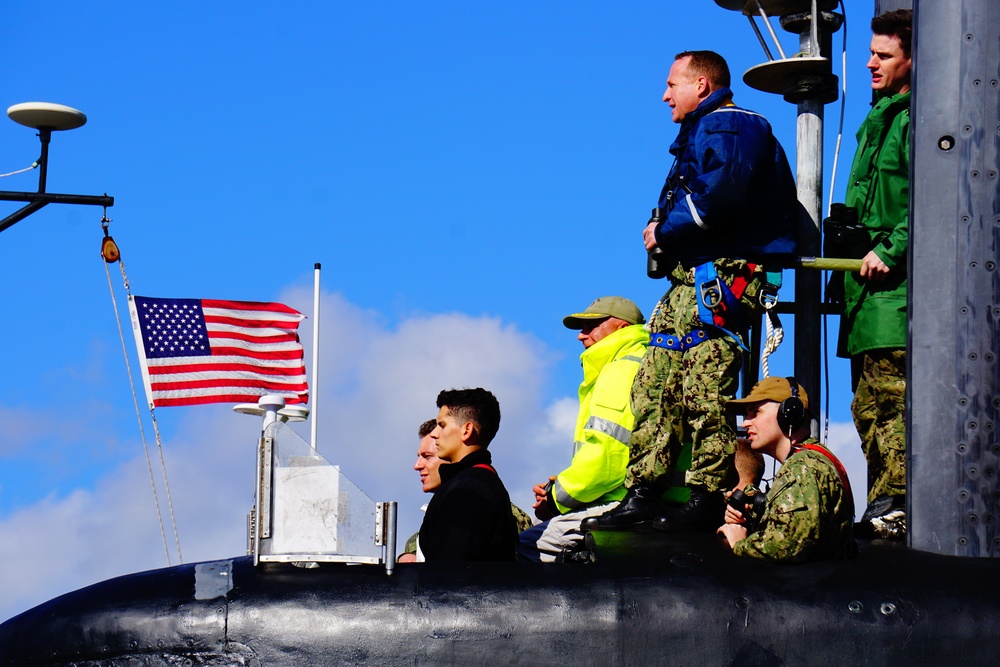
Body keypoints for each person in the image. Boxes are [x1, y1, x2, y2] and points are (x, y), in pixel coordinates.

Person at [585, 50, 798, 533]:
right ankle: (644, 489)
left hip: (723, 278)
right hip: (692, 278)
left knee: (706, 387)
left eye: (672, 85)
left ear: (701, 85)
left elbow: (722, 192)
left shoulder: (732, 125)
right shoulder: (702, 132)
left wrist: (666, 229)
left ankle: (705, 496)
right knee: (656, 382)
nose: (664, 95)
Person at [520, 296, 677, 562]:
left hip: (624, 504)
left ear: (621, 327)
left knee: (520, 550)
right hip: (646, 501)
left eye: (591, 326)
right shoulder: (643, 363)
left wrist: (555, 498)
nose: (581, 336)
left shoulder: (622, 369)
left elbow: (609, 457)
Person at [836, 9, 912, 540]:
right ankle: (881, 500)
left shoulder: (915, 121)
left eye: (883, 55)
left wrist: (891, 247)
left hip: (892, 297)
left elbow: (933, 199)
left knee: (891, 404)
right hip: (863, 298)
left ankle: (898, 503)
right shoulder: (880, 117)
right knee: (866, 407)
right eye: (870, 53)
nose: (870, 64)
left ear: (913, 58)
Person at [717, 377, 856, 562]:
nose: (745, 423)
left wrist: (738, 543)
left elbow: (787, 544)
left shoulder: (803, 468)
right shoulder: (810, 460)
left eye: (755, 412)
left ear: (788, 414)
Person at [401, 419, 531, 563]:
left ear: (449, 456)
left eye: (427, 456)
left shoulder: (498, 509)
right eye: (418, 457)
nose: (417, 465)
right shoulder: (417, 538)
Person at [418, 388, 518, 561]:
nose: (434, 434)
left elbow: (449, 573)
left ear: (467, 430)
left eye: (442, 425)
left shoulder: (467, 490)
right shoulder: (479, 482)